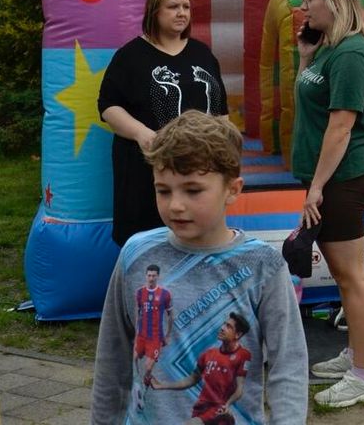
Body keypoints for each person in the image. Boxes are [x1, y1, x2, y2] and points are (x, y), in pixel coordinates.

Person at [90, 111, 307, 424]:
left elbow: (288, 365)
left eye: (193, 190)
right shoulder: (135, 255)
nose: (176, 205)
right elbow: (112, 358)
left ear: (233, 189)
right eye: (163, 190)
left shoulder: (263, 265)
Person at [291, 0, 364, 408]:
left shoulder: (351, 54)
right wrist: (305, 58)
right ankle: (354, 353)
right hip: (330, 179)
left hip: (342, 179)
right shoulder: (328, 49)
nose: (303, 6)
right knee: (345, 276)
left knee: (352, 276)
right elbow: (310, 105)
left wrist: (317, 187)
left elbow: (341, 127)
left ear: (334, 0)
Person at [98, 0, 228, 246]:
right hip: (144, 172)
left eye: (186, 7)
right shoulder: (130, 56)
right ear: (154, 12)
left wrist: (223, 154)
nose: (182, 13)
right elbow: (109, 106)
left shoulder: (202, 54)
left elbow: (220, 110)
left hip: (197, 170)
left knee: (195, 244)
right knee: (147, 246)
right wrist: (142, 134)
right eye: (173, 7)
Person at [149, 312, 252, 425]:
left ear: (237, 334)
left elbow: (239, 389)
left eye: (228, 326)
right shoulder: (208, 354)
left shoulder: (243, 355)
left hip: (219, 409)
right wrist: (162, 385)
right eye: (224, 324)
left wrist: (227, 404)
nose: (222, 328)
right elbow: (192, 379)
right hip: (200, 408)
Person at [134, 264, 173, 387]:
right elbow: (138, 313)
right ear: (146, 276)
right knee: (134, 358)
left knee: (148, 366)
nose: (151, 278)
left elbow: (170, 316)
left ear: (158, 276)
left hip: (156, 337)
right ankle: (135, 381)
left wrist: (167, 335)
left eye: (154, 276)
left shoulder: (165, 294)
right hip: (141, 335)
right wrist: (135, 331)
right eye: (149, 275)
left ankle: (147, 377)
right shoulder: (140, 292)